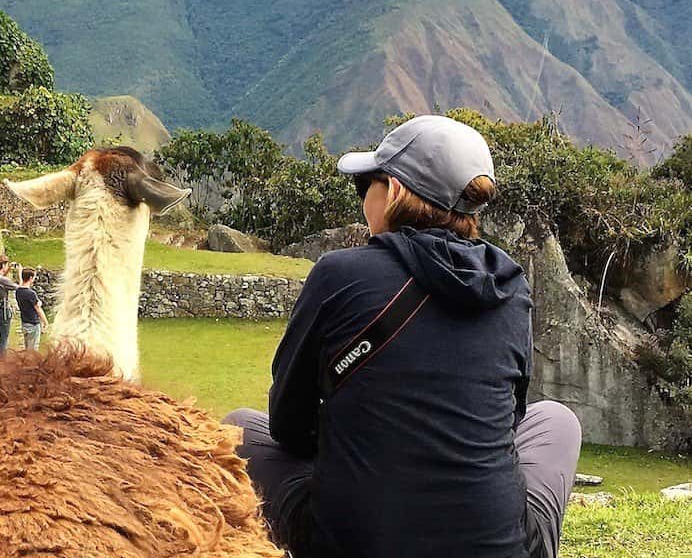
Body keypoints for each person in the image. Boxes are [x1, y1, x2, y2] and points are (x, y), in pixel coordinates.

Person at [224, 115, 582, 558]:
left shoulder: (340, 273)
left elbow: (287, 425)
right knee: (557, 421)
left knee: (239, 425)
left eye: (365, 186)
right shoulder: (510, 285)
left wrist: (355, 441)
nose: (362, 200)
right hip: (495, 544)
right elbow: (511, 418)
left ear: (393, 191)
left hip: (348, 541)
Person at [15, 268, 48, 351]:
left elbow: (20, 285)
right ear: (30, 278)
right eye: (34, 277)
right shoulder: (31, 293)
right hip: (33, 324)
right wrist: (45, 322)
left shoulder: (18, 291)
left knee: (27, 349)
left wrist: (20, 272)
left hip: (24, 323)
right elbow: (38, 309)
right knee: (33, 350)